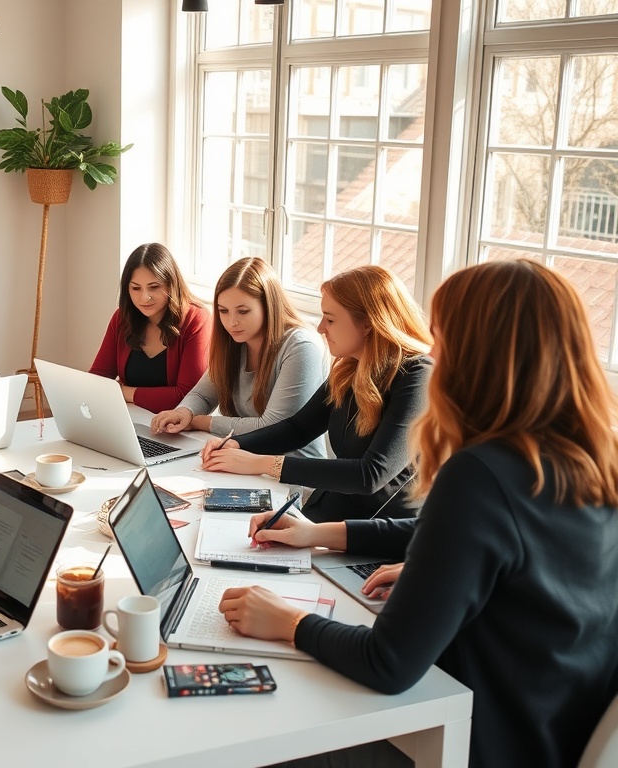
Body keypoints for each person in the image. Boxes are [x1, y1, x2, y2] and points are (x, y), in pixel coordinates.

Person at [219, 260, 618, 768]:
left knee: (257, 737)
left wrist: (288, 620)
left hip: (464, 740)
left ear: (477, 356)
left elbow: (387, 664)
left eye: (442, 338)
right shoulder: (590, 457)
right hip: (547, 729)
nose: (432, 353)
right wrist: (322, 534)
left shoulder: (480, 473)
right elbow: (509, 557)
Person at [201, 265, 432, 522]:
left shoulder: (418, 376)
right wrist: (237, 444)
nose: (321, 328)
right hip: (328, 516)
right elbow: (298, 429)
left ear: (367, 324)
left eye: (330, 319)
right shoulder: (350, 368)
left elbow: (371, 475)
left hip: (375, 534)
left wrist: (262, 463)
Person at [149, 257, 327, 460]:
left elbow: (273, 426)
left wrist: (199, 422)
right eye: (223, 311)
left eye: (243, 311)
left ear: (269, 305)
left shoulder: (302, 346)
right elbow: (202, 395)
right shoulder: (233, 342)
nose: (231, 322)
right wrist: (183, 412)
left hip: (291, 472)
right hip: (242, 459)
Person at [89, 243, 210, 412]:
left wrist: (124, 392)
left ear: (171, 284)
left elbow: (188, 398)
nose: (145, 297)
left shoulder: (196, 319)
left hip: (176, 429)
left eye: (154, 287)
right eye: (136, 288)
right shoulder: (122, 318)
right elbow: (96, 382)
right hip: (130, 420)